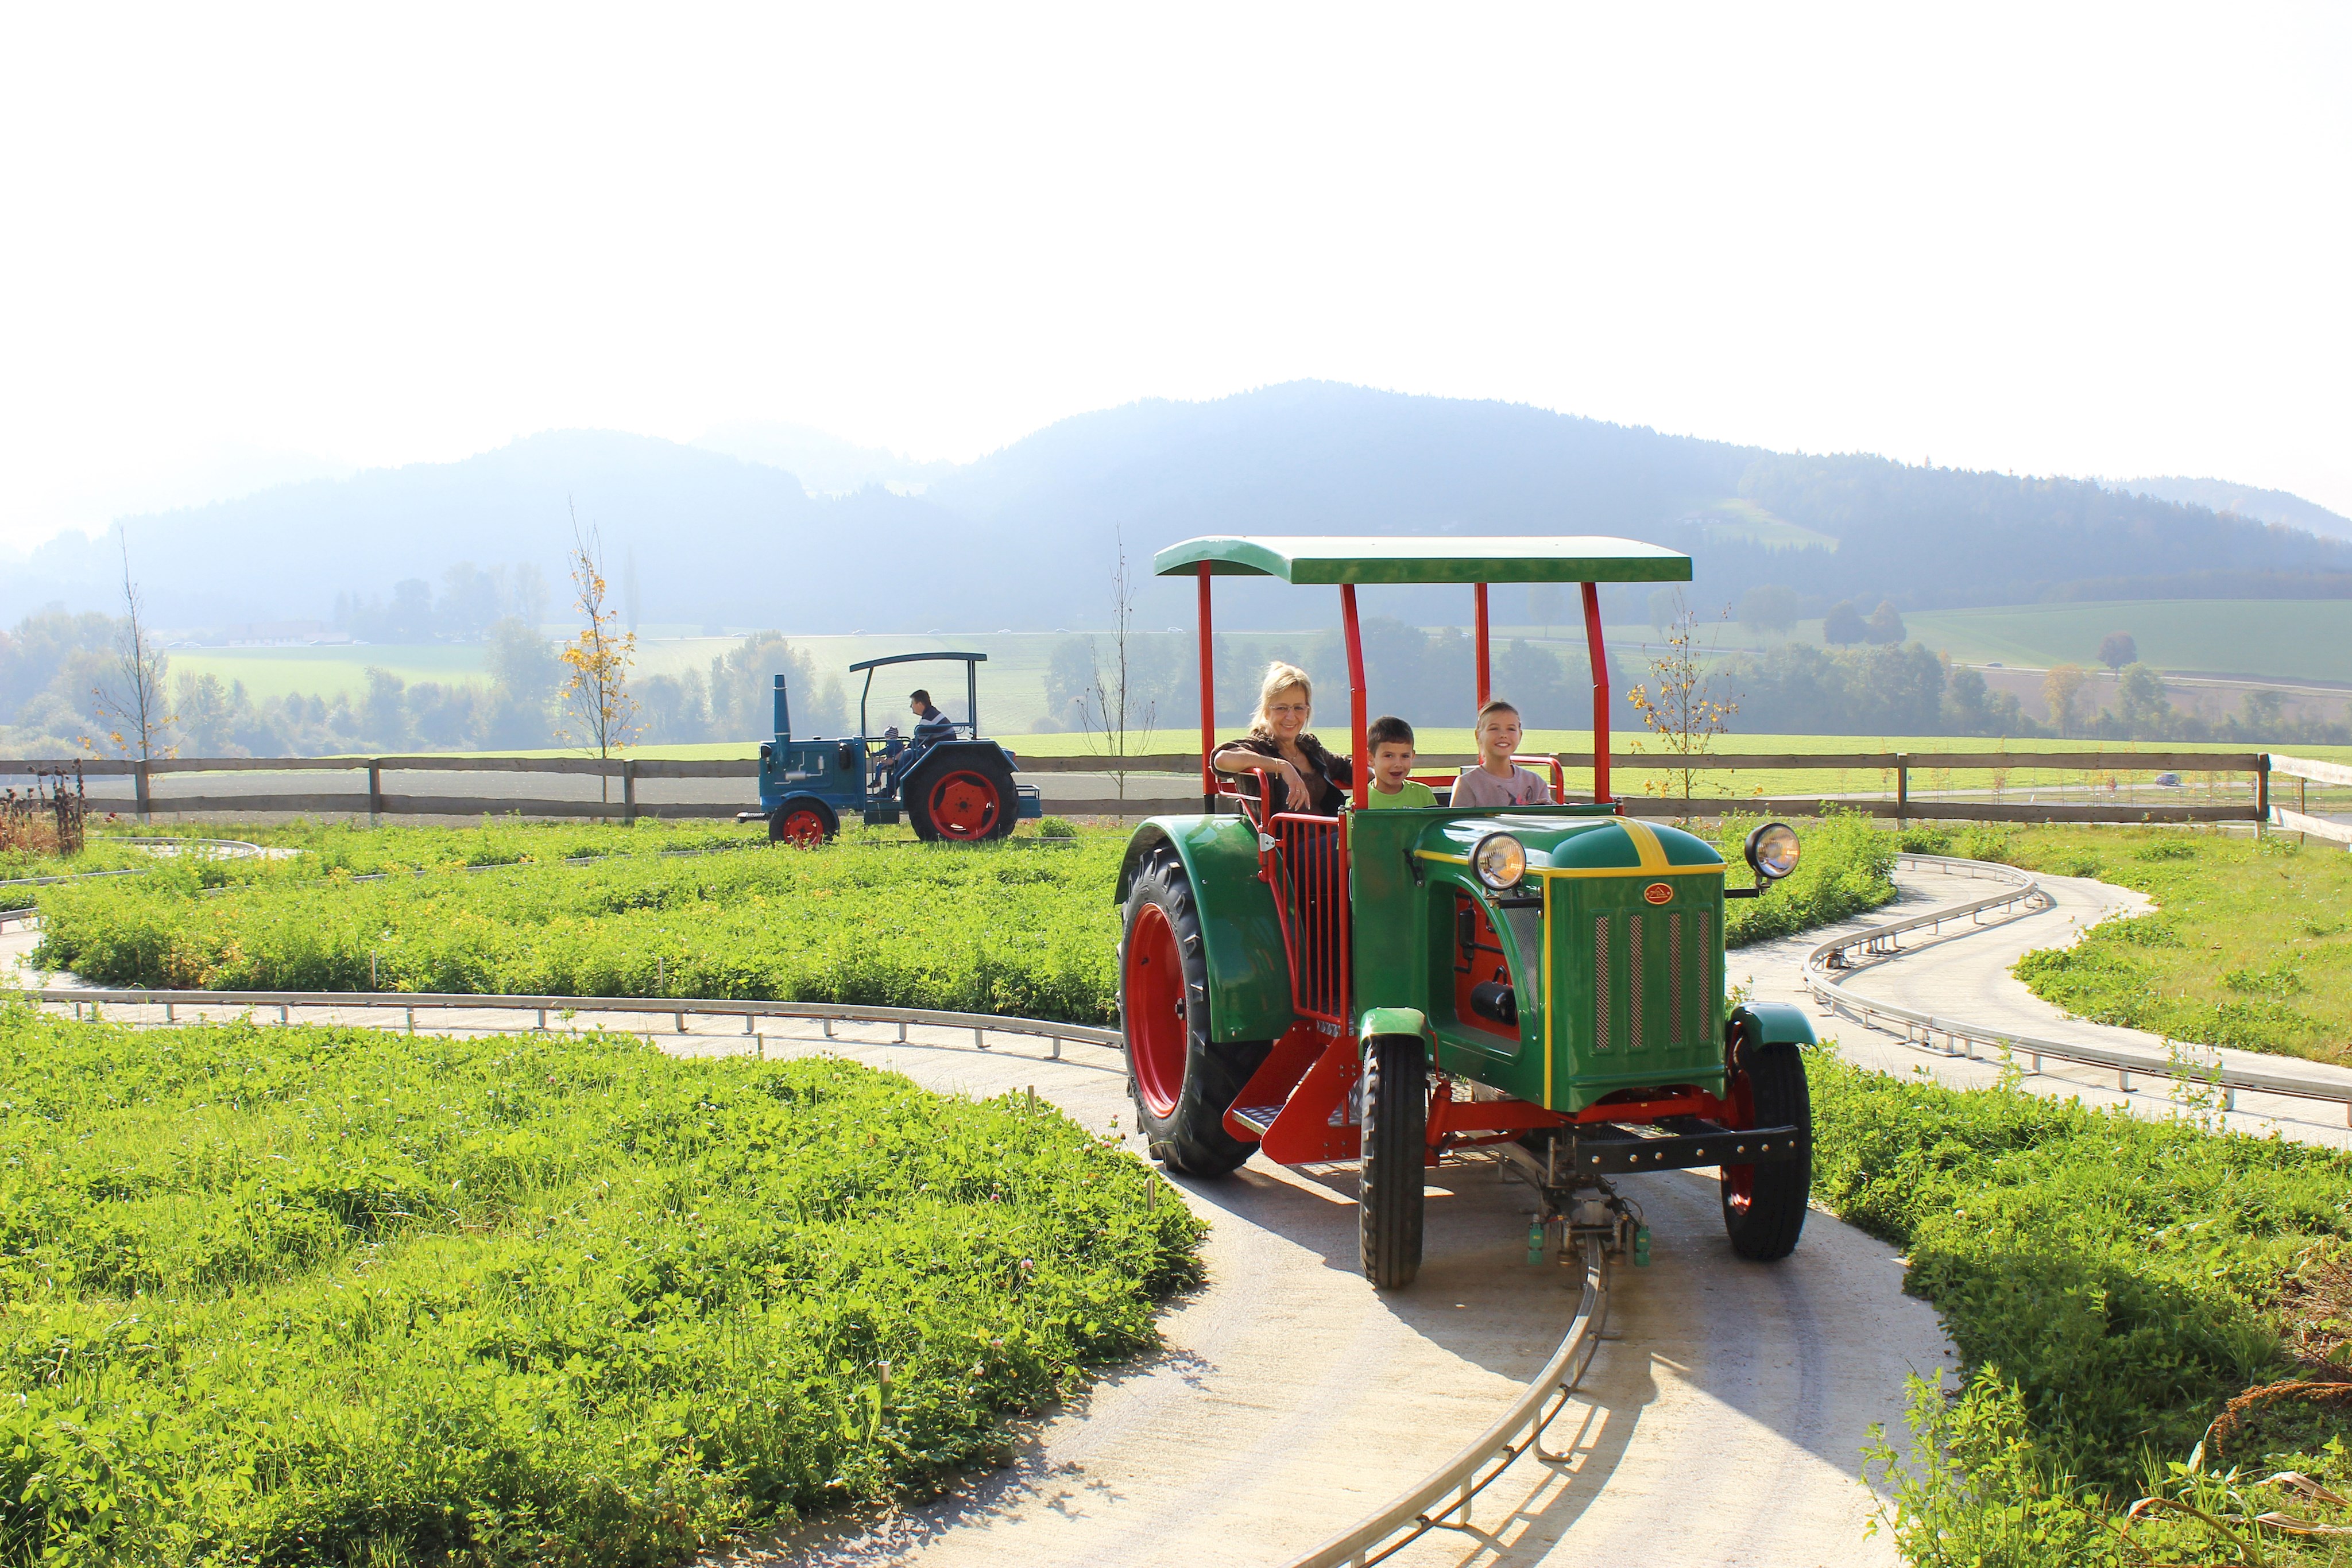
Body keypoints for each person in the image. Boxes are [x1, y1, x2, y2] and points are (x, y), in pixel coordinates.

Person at [1209, 662, 1353, 814]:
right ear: (1266, 712)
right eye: (1281, 708)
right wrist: (1282, 766)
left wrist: (1378, 769)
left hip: (1328, 833)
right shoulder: (1259, 748)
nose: (1291, 717)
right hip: (1281, 837)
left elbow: (1345, 768)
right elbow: (1222, 759)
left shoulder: (1309, 747)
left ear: (1307, 710)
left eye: (1298, 708)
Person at [1452, 699, 1554, 808]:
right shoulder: (1467, 783)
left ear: (1520, 735)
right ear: (1478, 735)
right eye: (1494, 729)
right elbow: (1457, 822)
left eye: (1511, 729)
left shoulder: (1536, 782)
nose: (1503, 735)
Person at [1362, 715, 1438, 809]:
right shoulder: (1361, 801)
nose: (1398, 764)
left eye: (1405, 756)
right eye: (1389, 756)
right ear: (1370, 758)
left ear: (1412, 757)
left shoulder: (1423, 795)